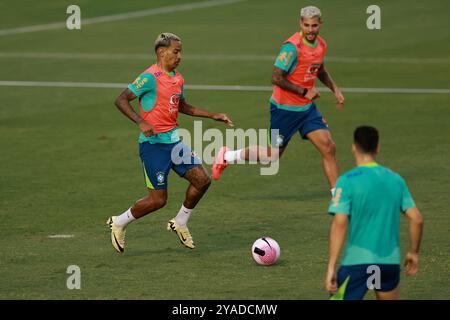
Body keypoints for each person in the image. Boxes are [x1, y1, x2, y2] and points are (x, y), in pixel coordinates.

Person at [107, 33, 233, 253]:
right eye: (176, 51)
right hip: (153, 147)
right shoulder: (149, 77)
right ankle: (120, 222)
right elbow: (121, 99)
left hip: (174, 143)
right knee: (158, 200)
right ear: (161, 52)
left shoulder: (177, 78)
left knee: (202, 180)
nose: (180, 56)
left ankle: (180, 222)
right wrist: (140, 121)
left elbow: (182, 106)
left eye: (180, 51)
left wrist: (213, 115)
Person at [212, 6, 345, 195]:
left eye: (314, 26)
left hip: (307, 109)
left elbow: (319, 70)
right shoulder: (292, 48)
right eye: (306, 25)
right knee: (271, 156)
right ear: (300, 23)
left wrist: (335, 89)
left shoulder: (321, 45)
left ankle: (337, 196)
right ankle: (227, 155)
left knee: (328, 147)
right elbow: (276, 77)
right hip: (284, 110)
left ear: (320, 25)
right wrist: (303, 91)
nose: (310, 30)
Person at [325, 126, 424, 300]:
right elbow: (417, 219)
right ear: (378, 148)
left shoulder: (346, 181)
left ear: (354, 147)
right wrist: (414, 252)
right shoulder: (396, 180)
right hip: (388, 264)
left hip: (356, 263)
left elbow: (340, 224)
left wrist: (331, 266)